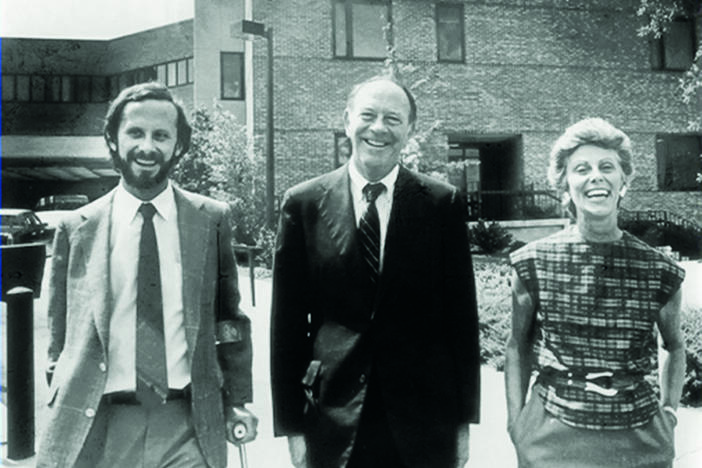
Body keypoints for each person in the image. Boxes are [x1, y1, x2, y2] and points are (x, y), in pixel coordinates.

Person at [37, 82, 258, 468]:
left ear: (179, 146)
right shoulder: (76, 229)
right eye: (135, 133)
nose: (147, 146)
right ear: (113, 139)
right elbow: (59, 337)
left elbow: (229, 320)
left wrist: (236, 401)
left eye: (161, 135)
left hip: (186, 422)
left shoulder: (211, 221)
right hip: (98, 423)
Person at [270, 74, 481, 468]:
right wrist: (292, 427)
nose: (378, 128)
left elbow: (461, 321)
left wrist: (463, 423)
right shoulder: (302, 204)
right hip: (332, 416)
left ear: (410, 130)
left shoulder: (441, 204)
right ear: (347, 120)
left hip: (423, 420)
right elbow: (286, 327)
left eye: (393, 118)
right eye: (368, 115)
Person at [504, 118, 686, 468]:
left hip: (640, 439)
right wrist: (516, 422)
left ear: (624, 181)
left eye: (607, 167)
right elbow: (517, 344)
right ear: (565, 183)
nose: (595, 177)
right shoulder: (532, 262)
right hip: (553, 436)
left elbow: (675, 345)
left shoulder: (659, 269)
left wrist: (670, 413)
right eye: (581, 169)